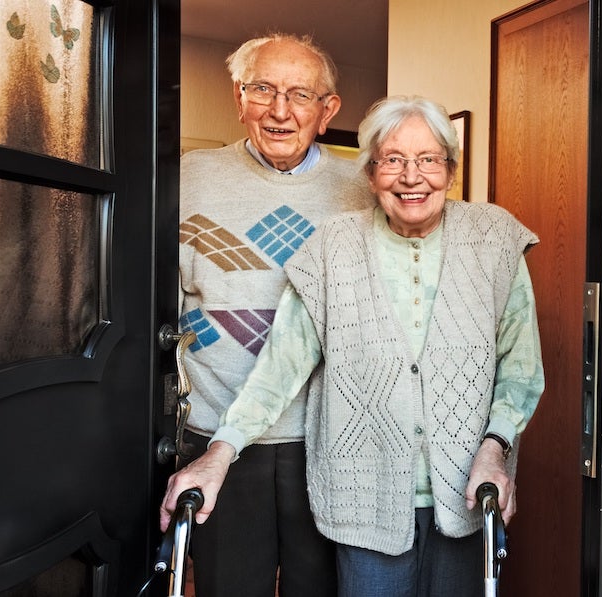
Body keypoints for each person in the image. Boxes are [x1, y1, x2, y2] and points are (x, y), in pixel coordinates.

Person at [163, 95, 544, 597]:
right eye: (392, 160)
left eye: (428, 159)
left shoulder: (494, 240)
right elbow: (282, 367)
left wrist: (496, 448)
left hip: (469, 492)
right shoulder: (331, 248)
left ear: (450, 171)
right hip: (365, 497)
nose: (412, 177)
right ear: (370, 175)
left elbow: (520, 368)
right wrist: (219, 451)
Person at [173, 32, 373, 597]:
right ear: (239, 98)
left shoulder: (362, 186)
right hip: (218, 431)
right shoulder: (187, 177)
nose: (280, 110)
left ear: (328, 109)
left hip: (327, 434)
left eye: (300, 95)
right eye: (262, 89)